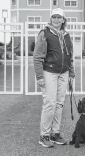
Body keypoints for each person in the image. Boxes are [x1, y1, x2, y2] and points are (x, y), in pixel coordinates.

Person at [33, 8, 75, 148]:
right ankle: (44, 135)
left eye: (59, 17)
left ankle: (55, 133)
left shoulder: (67, 35)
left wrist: (71, 74)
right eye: (54, 17)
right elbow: (37, 56)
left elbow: (70, 57)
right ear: (51, 19)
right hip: (49, 72)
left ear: (63, 20)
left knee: (59, 104)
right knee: (50, 104)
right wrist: (39, 76)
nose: (56, 20)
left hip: (64, 73)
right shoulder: (44, 33)